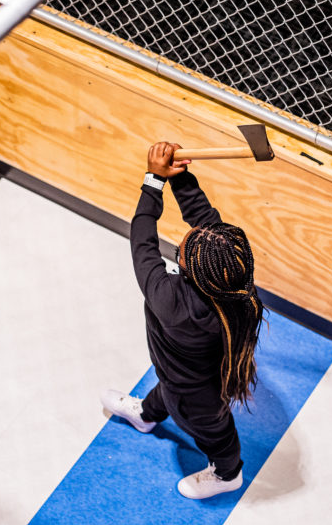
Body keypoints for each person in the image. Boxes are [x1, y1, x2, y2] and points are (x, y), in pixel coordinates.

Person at [101, 141, 264, 500]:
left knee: (214, 431)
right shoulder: (233, 278)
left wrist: (153, 181)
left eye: (182, 250)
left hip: (195, 393)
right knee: (167, 390)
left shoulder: (169, 300)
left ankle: (228, 473)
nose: (190, 233)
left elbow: (142, 239)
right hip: (191, 373)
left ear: (192, 271)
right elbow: (206, 222)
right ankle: (145, 415)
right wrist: (180, 179)